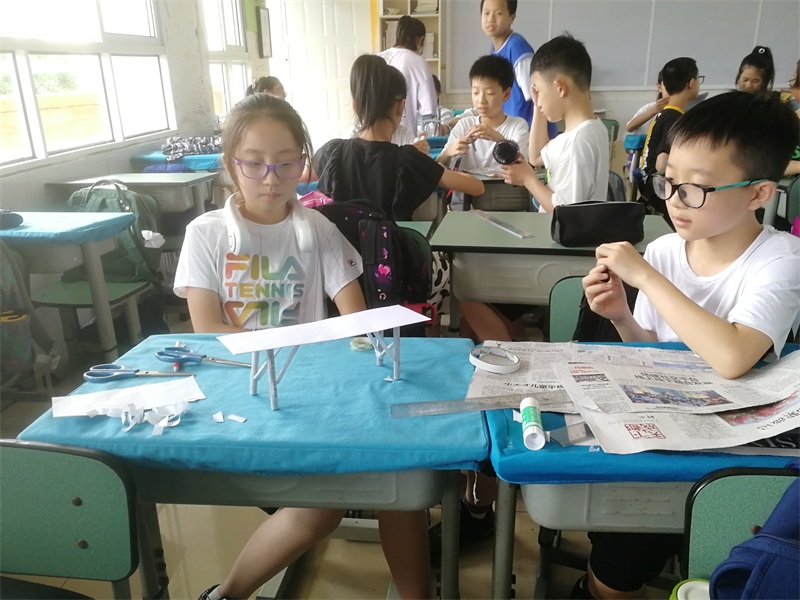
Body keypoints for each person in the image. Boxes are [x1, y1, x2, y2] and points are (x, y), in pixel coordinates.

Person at [174, 93, 431, 600]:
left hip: (310, 393)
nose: (271, 178)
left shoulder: (317, 230)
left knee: (399, 475)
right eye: (254, 163)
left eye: (286, 163)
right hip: (239, 394)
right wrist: (294, 342)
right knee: (321, 508)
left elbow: (356, 322)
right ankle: (226, 595)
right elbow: (208, 333)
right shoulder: (206, 235)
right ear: (230, 164)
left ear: (303, 163)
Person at [576, 91, 800, 599]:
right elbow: (653, 352)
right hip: (663, 447)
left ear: (758, 193)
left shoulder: (781, 259)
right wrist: (621, 317)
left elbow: (733, 356)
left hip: (734, 462)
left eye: (695, 188)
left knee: (731, 568)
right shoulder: (663, 251)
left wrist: (646, 279)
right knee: (613, 570)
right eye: (669, 181)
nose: (675, 200)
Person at [313, 54, 484, 221]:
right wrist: (432, 167)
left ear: (356, 106)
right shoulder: (408, 160)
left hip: (340, 241)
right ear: (401, 106)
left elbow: (304, 174)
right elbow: (477, 187)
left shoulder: (333, 152)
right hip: (391, 241)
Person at [436, 54, 529, 210]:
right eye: (475, 92)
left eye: (490, 93)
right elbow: (437, 165)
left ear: (506, 94)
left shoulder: (517, 126)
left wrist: (499, 140)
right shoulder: (464, 124)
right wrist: (450, 151)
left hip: (505, 205)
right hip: (464, 207)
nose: (481, 100)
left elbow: (522, 165)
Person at [480, 0, 557, 138]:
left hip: (530, 135)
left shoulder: (517, 48)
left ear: (512, 17)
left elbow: (537, 97)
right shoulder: (496, 49)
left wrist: (535, 139)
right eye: (486, 13)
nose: (490, 19)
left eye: (498, 13)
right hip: (514, 133)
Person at [639, 57, 701, 222]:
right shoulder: (675, 119)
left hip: (649, 185)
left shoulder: (666, 113)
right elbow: (661, 165)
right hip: (658, 192)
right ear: (691, 83)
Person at [379, 15, 438, 136]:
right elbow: (428, 112)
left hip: (376, 135)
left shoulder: (379, 58)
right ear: (419, 39)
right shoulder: (419, 62)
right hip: (405, 136)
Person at [625, 71, 668, 135]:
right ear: (659, 88)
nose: (674, 92)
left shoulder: (682, 111)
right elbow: (629, 127)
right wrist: (654, 111)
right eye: (668, 86)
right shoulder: (651, 107)